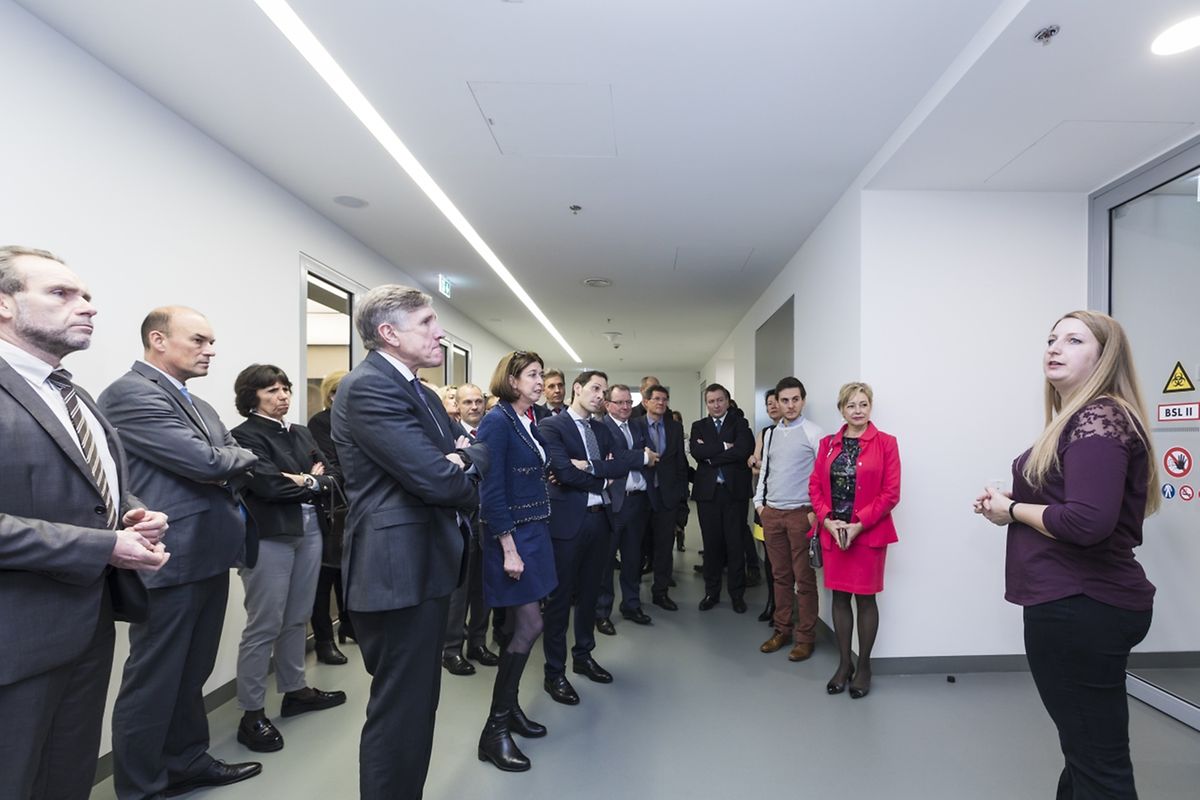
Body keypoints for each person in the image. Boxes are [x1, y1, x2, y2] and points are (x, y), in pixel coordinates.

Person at [0, 246, 168, 800]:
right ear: (4, 304)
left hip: (86, 626)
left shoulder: (73, 393)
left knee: (67, 779)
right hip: (16, 638)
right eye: (61, 294)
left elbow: (95, 489)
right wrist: (104, 546)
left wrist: (132, 513)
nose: (87, 306)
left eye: (87, 295)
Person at [975, 311, 1158, 798]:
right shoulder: (1081, 420)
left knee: (1099, 765)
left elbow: (1086, 522)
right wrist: (1007, 509)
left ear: (1104, 357)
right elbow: (1072, 506)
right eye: (1052, 338)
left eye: (1074, 340)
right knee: (1086, 751)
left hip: (1081, 606)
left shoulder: (1098, 418)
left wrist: (1012, 509)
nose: (1055, 347)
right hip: (1083, 604)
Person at [332, 284, 488, 800]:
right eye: (426, 322)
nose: (439, 331)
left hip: (426, 561)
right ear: (388, 333)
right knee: (401, 710)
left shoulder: (417, 390)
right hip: (397, 569)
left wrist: (462, 460)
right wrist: (461, 464)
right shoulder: (369, 387)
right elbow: (439, 478)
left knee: (417, 704)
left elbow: (470, 452)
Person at [101, 306, 264, 798]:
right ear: (158, 340)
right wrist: (234, 458)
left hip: (207, 555)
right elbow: (207, 460)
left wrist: (226, 458)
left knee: (192, 670)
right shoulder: (130, 394)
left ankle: (187, 761)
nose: (210, 350)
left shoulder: (191, 400)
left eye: (211, 341)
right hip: (169, 556)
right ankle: (140, 785)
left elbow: (222, 450)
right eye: (199, 340)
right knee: (155, 677)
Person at [229, 364, 347, 752]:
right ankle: (251, 713)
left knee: (297, 617)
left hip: (310, 530)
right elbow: (266, 484)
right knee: (264, 624)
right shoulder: (243, 436)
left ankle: (295, 691)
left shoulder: (299, 432)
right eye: (271, 391)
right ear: (252, 397)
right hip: (269, 536)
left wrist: (305, 479)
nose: (282, 396)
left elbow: (332, 478)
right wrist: (304, 480)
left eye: (285, 389)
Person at [538, 370, 645, 705]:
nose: (600, 395)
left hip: (601, 521)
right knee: (559, 601)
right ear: (578, 389)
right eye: (595, 388)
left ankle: (583, 656)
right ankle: (554, 673)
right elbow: (563, 471)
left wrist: (591, 467)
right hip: (567, 524)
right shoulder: (552, 426)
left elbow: (622, 466)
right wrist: (599, 474)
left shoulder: (601, 428)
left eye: (604, 390)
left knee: (589, 595)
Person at [474, 352, 555, 771]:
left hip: (534, 531)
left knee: (517, 626)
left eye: (541, 375)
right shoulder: (497, 421)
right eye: (533, 375)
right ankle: (495, 730)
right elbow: (491, 490)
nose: (540, 382)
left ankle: (511, 710)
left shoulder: (527, 419)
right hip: (514, 536)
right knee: (529, 624)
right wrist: (508, 547)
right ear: (512, 379)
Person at [810, 382, 900, 699]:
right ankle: (844, 663)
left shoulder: (886, 443)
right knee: (838, 599)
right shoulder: (827, 444)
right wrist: (827, 521)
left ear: (870, 407)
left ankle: (864, 667)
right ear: (841, 410)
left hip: (868, 534)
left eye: (863, 404)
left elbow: (891, 494)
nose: (857, 410)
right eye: (851, 405)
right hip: (834, 532)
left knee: (865, 600)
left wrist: (858, 525)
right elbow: (815, 489)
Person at [755, 378, 824, 662]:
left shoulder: (814, 433)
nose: (790, 405)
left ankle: (805, 637)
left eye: (795, 399)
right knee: (779, 577)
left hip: (800, 515)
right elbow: (766, 471)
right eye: (785, 400)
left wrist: (815, 513)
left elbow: (823, 477)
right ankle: (782, 630)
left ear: (803, 400)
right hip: (772, 514)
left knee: (804, 581)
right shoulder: (770, 434)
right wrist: (759, 504)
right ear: (778, 403)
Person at [442, 382, 499, 675]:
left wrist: (465, 458)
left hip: (491, 519)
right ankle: (452, 649)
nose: (474, 407)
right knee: (459, 590)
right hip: (462, 519)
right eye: (468, 402)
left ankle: (478, 642)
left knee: (484, 586)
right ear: (458, 406)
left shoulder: (490, 433)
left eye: (478, 401)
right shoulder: (449, 435)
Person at [690, 383, 755, 613]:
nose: (716, 405)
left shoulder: (740, 423)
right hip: (708, 494)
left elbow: (743, 450)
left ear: (727, 401)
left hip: (734, 493)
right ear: (706, 404)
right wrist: (725, 447)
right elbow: (697, 453)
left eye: (720, 400)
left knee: (735, 544)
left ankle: (737, 595)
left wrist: (712, 455)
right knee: (712, 545)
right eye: (711, 401)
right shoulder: (698, 426)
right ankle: (712, 592)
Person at [596, 384, 655, 630]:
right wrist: (641, 456)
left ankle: (631, 605)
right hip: (613, 504)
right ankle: (602, 612)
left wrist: (637, 456)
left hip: (638, 502)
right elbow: (616, 457)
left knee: (633, 559)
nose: (625, 407)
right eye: (620, 402)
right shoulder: (601, 428)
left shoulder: (637, 425)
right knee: (607, 561)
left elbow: (652, 454)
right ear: (607, 405)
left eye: (629, 402)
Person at [306, 369, 355, 663]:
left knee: (348, 572)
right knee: (324, 577)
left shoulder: (356, 422)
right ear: (334, 395)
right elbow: (333, 466)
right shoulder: (320, 423)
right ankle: (324, 639)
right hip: (332, 509)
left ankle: (349, 624)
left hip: (356, 506)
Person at [642, 384, 689, 611]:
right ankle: (631, 598)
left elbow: (681, 462)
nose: (661, 403)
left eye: (665, 399)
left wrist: (681, 495)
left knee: (664, 547)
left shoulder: (675, 428)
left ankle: (660, 592)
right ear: (646, 402)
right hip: (642, 496)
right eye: (657, 399)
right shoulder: (635, 426)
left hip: (668, 496)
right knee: (637, 547)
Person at [749, 388, 783, 621]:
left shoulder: (797, 432)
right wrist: (763, 465)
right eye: (768, 403)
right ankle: (772, 602)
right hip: (766, 505)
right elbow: (753, 465)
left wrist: (765, 465)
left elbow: (762, 464)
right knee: (770, 559)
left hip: (789, 505)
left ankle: (785, 608)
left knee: (787, 562)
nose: (771, 407)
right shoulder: (766, 432)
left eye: (775, 402)